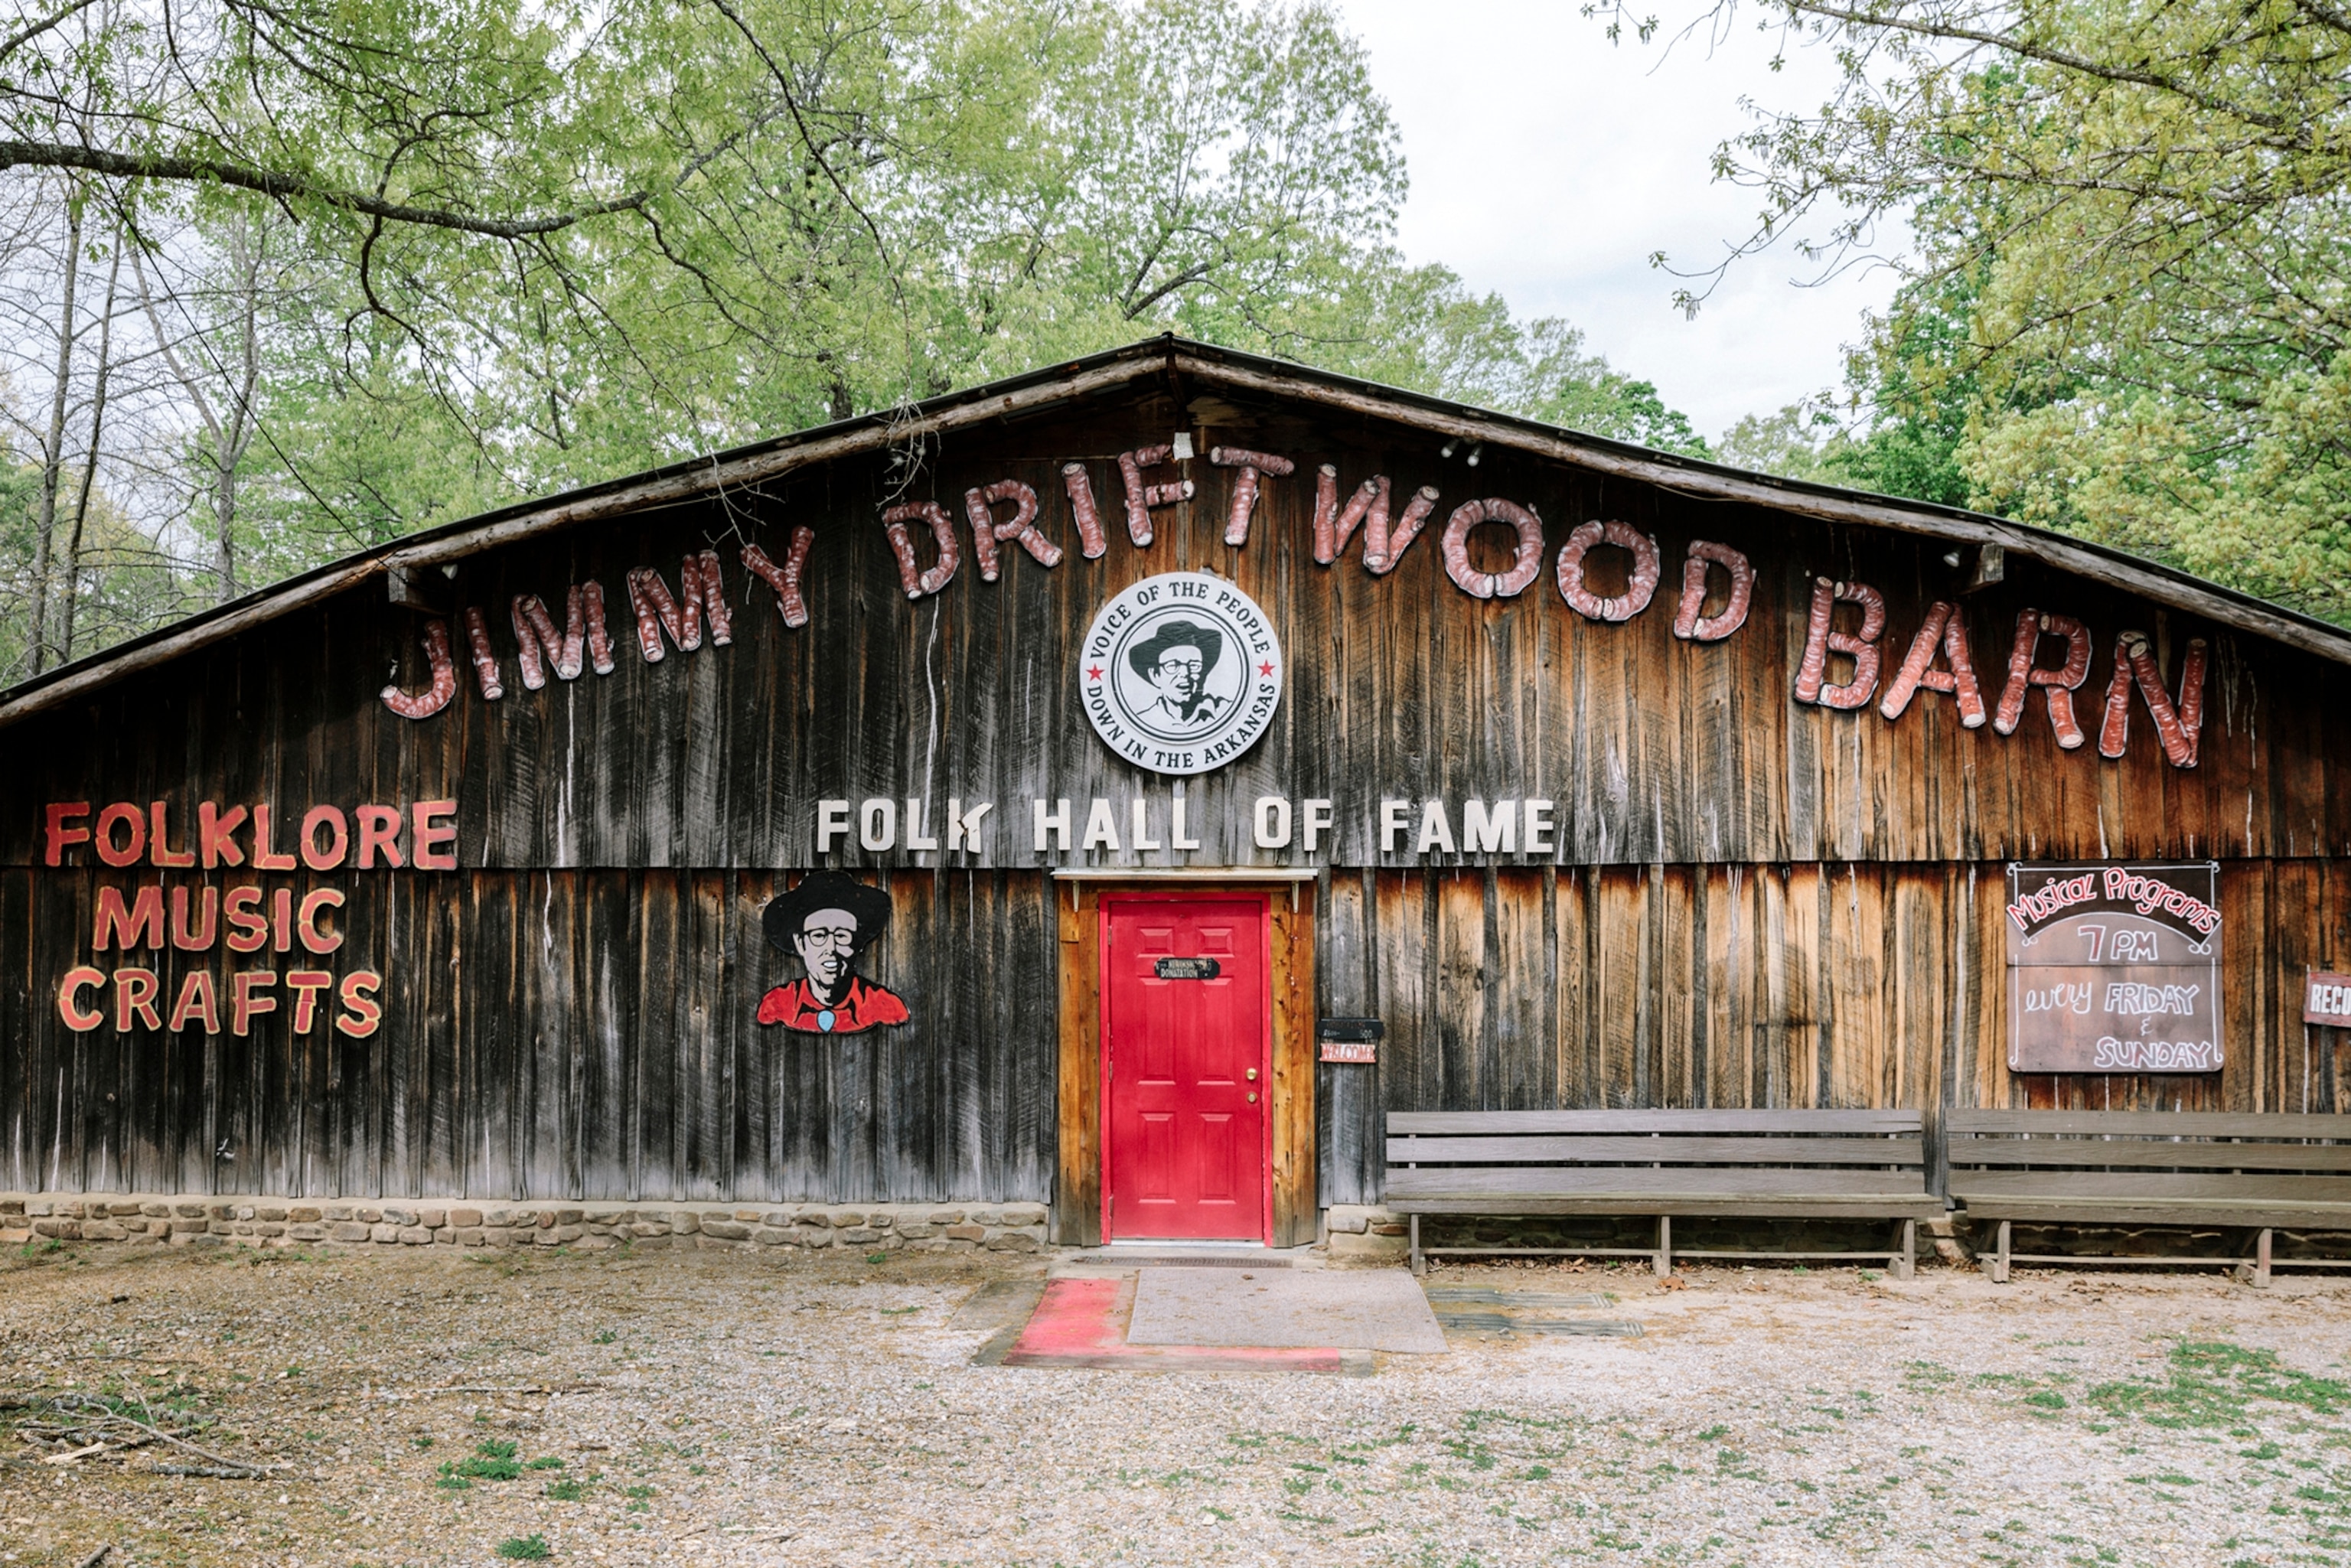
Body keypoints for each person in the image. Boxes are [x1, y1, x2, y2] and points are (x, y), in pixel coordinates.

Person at [755, 870, 909, 1033]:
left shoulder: (885, 1006)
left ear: (859, 943)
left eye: (842, 936)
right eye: (819, 935)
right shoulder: (777, 1005)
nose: (831, 948)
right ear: (801, 944)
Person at [1127, 618, 1226, 730]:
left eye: (1194, 665)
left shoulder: (1223, 710)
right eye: (1173, 666)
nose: (1185, 673)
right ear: (1155, 675)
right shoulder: (1143, 721)